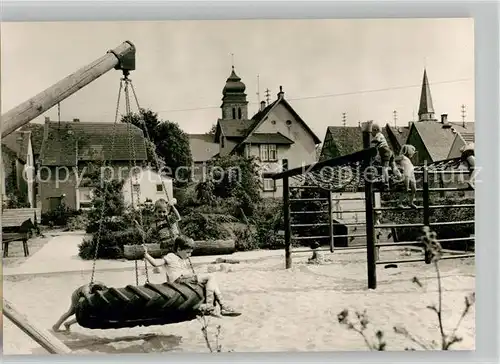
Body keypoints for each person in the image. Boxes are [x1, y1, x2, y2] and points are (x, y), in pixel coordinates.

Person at [142, 235, 241, 317]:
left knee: (211, 280)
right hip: (180, 280)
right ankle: (211, 305)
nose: (189, 255)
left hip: (184, 279)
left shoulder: (182, 258)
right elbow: (156, 263)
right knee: (211, 277)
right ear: (179, 249)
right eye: (187, 252)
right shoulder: (171, 256)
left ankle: (223, 307)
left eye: (190, 252)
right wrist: (146, 255)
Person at [370, 122, 401, 190]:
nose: (371, 133)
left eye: (371, 131)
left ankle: (386, 184)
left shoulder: (378, 134)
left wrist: (371, 141)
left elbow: (377, 140)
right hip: (390, 152)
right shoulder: (381, 135)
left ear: (375, 130)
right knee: (394, 167)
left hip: (385, 152)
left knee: (385, 168)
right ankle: (400, 178)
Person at [396, 144, 418, 209]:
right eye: (412, 151)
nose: (413, 153)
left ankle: (411, 202)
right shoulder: (402, 157)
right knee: (406, 189)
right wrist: (398, 168)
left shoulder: (408, 159)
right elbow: (394, 161)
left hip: (411, 174)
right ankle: (399, 203)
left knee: (414, 189)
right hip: (406, 174)